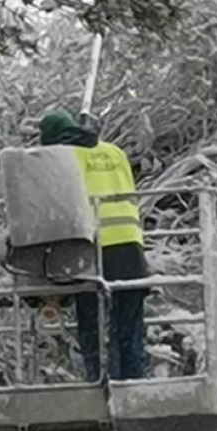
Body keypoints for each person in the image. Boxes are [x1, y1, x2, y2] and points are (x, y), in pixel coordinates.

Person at [39, 109, 149, 380]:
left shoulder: (62, 158)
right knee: (129, 329)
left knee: (95, 331)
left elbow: (57, 210)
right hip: (131, 247)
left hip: (93, 249)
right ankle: (134, 395)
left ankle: (102, 394)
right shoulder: (115, 151)